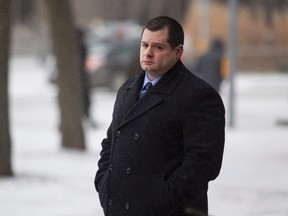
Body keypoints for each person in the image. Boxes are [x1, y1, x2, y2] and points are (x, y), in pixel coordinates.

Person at [94, 16, 225, 216]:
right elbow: (111, 143)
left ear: (178, 51)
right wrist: (104, 184)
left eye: (158, 47)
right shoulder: (127, 89)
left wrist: (162, 200)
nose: (148, 52)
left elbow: (203, 164)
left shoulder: (199, 96)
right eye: (145, 45)